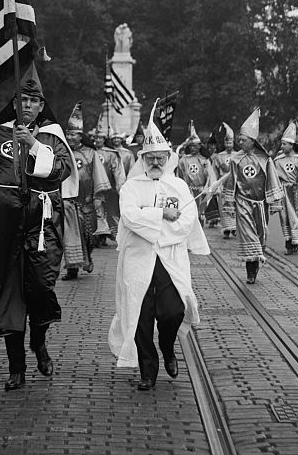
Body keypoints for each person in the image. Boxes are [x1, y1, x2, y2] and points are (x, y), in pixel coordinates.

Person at [0, 65, 75, 392]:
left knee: (40, 290)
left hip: (42, 228)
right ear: (14, 102)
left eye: (33, 101)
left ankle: (38, 342)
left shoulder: (52, 134)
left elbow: (61, 171)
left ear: (40, 106)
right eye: (21, 99)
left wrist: (35, 146)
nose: (26, 105)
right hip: (6, 229)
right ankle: (17, 367)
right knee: (9, 294)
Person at [108, 102, 210, 391]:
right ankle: (147, 372)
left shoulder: (178, 186)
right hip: (139, 260)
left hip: (169, 258)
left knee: (173, 311)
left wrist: (158, 228)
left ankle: (167, 347)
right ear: (143, 159)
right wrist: (160, 215)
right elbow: (129, 216)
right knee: (140, 316)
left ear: (167, 158)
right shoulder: (132, 187)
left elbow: (188, 219)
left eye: (160, 159)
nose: (155, 163)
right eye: (150, 158)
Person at [221, 108, 284, 284]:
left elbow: (272, 180)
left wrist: (275, 203)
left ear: (252, 141)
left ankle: (255, 264)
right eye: (239, 139)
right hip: (243, 202)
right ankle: (250, 269)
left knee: (260, 235)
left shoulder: (265, 159)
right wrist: (229, 204)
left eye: (243, 139)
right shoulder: (235, 159)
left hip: (261, 203)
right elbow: (231, 182)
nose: (240, 142)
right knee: (248, 234)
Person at [61, 103, 111, 280]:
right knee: (69, 237)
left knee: (88, 237)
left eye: (73, 134)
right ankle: (72, 268)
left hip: (87, 202)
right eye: (68, 134)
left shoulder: (90, 153)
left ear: (80, 136)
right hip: (67, 202)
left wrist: (98, 198)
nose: (70, 137)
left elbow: (99, 176)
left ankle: (87, 256)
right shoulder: (62, 152)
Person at [273, 120, 298, 254]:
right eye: (282, 143)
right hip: (283, 192)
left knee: (297, 217)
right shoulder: (277, 161)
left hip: (296, 192)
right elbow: (273, 179)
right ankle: (288, 242)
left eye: (285, 144)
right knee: (285, 217)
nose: (282, 146)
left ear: (291, 145)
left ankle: (295, 242)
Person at [93, 126, 126, 244]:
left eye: (100, 138)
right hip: (95, 187)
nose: (98, 140)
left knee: (112, 212)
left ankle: (115, 235)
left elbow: (117, 171)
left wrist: (119, 186)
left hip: (110, 187)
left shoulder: (111, 154)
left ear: (104, 139)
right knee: (97, 211)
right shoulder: (91, 152)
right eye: (96, 137)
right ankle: (98, 237)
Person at [177, 122, 209, 224]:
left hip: (201, 190)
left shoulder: (204, 160)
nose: (193, 148)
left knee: (200, 212)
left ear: (200, 146)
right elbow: (180, 175)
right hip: (188, 190)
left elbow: (209, 175)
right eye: (191, 146)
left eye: (195, 146)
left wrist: (206, 187)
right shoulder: (183, 160)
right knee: (189, 212)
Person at [208, 123, 237, 239]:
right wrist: (216, 185)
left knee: (235, 206)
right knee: (223, 206)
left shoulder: (238, 155)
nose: (228, 144)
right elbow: (214, 172)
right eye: (226, 142)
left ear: (233, 143)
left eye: (230, 142)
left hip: (235, 184)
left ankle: (235, 227)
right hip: (223, 185)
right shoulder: (219, 156)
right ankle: (226, 228)